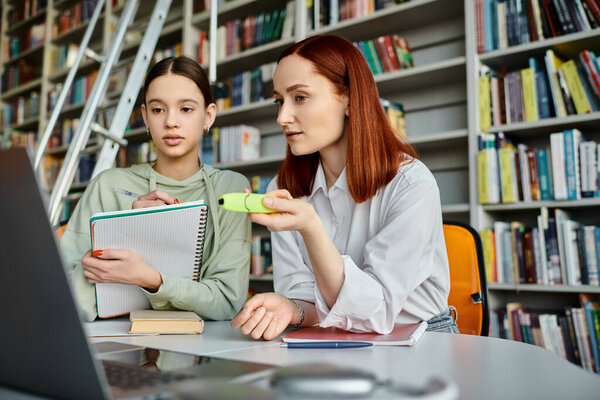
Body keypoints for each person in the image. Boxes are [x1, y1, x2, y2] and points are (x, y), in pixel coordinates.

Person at [230, 35, 457, 340]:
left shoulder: (412, 184)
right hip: (331, 333)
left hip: (421, 337)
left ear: (349, 99)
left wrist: (311, 227)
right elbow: (307, 299)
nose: (282, 117)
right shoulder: (284, 187)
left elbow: (376, 310)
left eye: (299, 97)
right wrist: (290, 308)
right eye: (279, 101)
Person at [60, 56, 251, 322]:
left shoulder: (232, 188)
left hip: (202, 347)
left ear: (208, 116)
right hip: (113, 339)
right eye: (158, 110)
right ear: (145, 117)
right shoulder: (108, 185)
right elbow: (64, 294)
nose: (171, 122)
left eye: (186, 109)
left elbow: (227, 302)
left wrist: (151, 279)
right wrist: (128, 230)